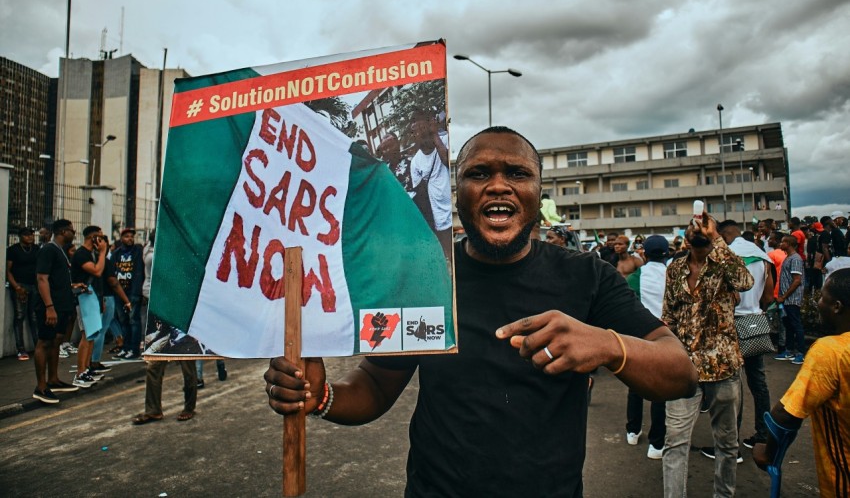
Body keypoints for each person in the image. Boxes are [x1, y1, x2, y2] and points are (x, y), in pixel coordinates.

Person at [265, 126, 698, 496]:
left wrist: (608, 345)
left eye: (517, 173)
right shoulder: (427, 279)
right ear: (458, 194)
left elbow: (680, 372)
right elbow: (377, 384)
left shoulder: (587, 276)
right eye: (478, 173)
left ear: (537, 192)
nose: (497, 184)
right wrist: (319, 396)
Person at [661, 211, 754, 498]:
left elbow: (745, 282)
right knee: (674, 443)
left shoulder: (724, 264)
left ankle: (723, 495)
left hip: (722, 366)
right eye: (693, 230)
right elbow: (668, 315)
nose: (697, 233)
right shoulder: (675, 268)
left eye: (703, 230)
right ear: (685, 239)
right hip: (683, 368)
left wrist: (717, 240)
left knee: (726, 443)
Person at [752, 268, 850, 497]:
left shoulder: (831, 352)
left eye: (822, 298)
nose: (817, 303)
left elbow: (786, 415)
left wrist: (767, 452)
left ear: (837, 306)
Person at [718, 220, 775, 450]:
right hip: (755, 323)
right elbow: (769, 297)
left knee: (732, 384)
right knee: (758, 382)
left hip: (732, 324)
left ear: (724, 234)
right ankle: (762, 436)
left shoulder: (729, 256)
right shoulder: (762, 257)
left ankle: (731, 444)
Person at [624, 235, 669, 459]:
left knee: (635, 384)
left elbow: (628, 307)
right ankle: (657, 444)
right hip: (666, 336)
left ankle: (633, 430)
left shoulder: (635, 277)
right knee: (660, 389)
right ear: (667, 253)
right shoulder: (675, 275)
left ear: (644, 253)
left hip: (640, 335)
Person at [31, 219, 82, 404]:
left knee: (56, 341)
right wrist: (49, 307)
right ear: (62, 231)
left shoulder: (60, 251)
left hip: (62, 306)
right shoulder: (48, 250)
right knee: (44, 343)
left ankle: (53, 380)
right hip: (50, 307)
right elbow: (42, 279)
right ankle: (41, 387)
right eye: (71, 230)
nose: (74, 232)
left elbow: (56, 279)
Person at [409, 113, 452, 262]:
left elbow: (448, 162)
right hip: (441, 219)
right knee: (452, 259)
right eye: (415, 131)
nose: (420, 133)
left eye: (422, 128)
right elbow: (421, 196)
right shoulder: (415, 162)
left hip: (457, 210)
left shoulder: (446, 140)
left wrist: (435, 134)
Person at [69, 225, 108, 388]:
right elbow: (97, 272)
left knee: (92, 335)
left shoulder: (92, 254)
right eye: (99, 236)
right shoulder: (81, 254)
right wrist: (103, 253)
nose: (102, 240)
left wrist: (101, 301)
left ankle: (86, 369)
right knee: (86, 336)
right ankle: (79, 372)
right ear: (92, 237)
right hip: (84, 299)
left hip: (94, 298)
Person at [6, 228, 40, 360]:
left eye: (31, 234)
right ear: (20, 236)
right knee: (20, 316)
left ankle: (38, 346)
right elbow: (8, 271)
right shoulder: (13, 250)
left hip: (34, 285)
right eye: (26, 235)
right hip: (20, 285)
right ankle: (20, 349)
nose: (30, 237)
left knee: (34, 316)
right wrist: (17, 287)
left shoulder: (36, 249)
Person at [113, 228, 145, 359]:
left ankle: (134, 349)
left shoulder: (138, 252)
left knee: (133, 320)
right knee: (123, 321)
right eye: (126, 236)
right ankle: (125, 348)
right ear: (121, 238)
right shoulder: (116, 254)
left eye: (132, 236)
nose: (130, 238)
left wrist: (137, 292)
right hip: (120, 292)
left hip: (133, 292)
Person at [776, 235, 806, 365]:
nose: (780, 243)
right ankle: (789, 351)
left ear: (788, 243)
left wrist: (784, 296)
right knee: (788, 324)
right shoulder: (788, 258)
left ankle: (801, 353)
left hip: (792, 298)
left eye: (783, 241)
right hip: (786, 299)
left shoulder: (795, 259)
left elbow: (797, 280)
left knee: (796, 325)